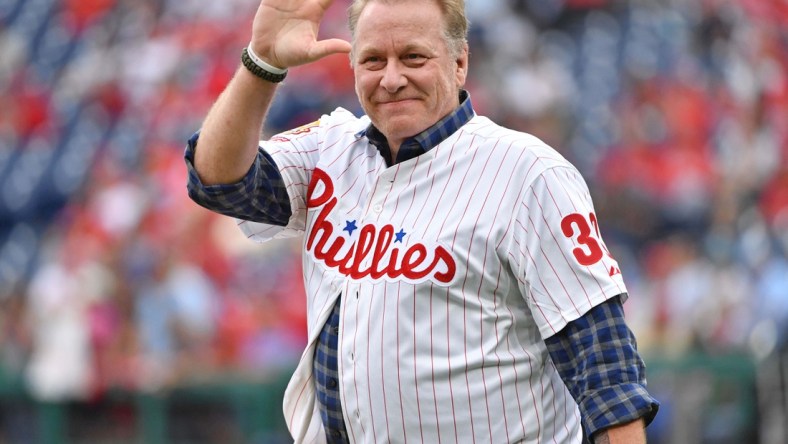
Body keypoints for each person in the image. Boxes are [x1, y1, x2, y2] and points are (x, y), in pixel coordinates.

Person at [184, 0, 659, 442]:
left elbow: (605, 368)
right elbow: (218, 182)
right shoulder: (329, 148)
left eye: (413, 57)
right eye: (373, 61)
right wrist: (262, 62)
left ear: (459, 63)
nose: (391, 79)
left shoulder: (529, 173)